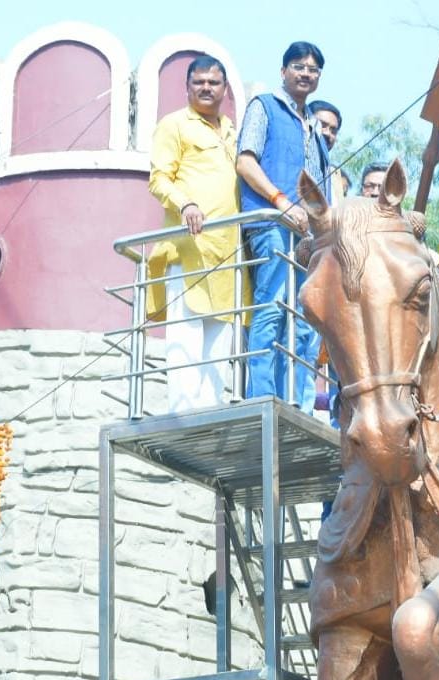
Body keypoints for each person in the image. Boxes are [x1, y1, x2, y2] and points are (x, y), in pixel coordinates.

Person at [147, 55, 247, 413]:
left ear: (225, 89)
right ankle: (183, 413)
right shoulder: (174, 125)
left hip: (228, 252)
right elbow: (158, 178)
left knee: (221, 341)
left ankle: (209, 413)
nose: (206, 88)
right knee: (186, 334)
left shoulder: (233, 131)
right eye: (199, 82)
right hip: (190, 247)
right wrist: (186, 203)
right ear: (187, 87)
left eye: (213, 82)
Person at [236, 41, 331, 413]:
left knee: (307, 319)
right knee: (273, 308)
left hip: (311, 236)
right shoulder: (265, 108)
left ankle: (298, 404)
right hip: (273, 225)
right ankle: (263, 398)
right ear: (283, 71)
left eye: (313, 69)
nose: (306, 73)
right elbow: (245, 162)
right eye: (298, 66)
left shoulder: (314, 127)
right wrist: (280, 202)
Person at [309, 99, 345, 205]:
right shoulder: (292, 160)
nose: (327, 133)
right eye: (321, 125)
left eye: (333, 130)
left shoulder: (334, 174)